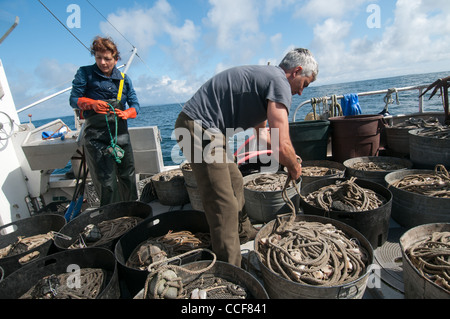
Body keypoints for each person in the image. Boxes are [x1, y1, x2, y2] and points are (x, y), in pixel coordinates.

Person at [175, 48, 319, 267]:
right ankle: (231, 269)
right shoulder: (280, 82)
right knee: (222, 203)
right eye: (304, 84)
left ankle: (244, 234)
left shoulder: (267, 80)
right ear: (297, 71)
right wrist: (293, 166)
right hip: (196, 129)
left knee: (235, 184)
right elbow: (282, 142)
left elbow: (263, 134)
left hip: (211, 132)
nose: (301, 93)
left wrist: (291, 157)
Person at [70, 36, 140, 206]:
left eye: (107, 59)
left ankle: (132, 210)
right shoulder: (84, 74)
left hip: (121, 136)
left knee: (127, 175)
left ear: (116, 59)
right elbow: (74, 100)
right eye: (98, 57)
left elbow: (135, 105)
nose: (102, 62)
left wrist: (128, 113)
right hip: (96, 137)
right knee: (106, 180)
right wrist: (92, 104)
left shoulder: (124, 79)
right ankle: (112, 216)